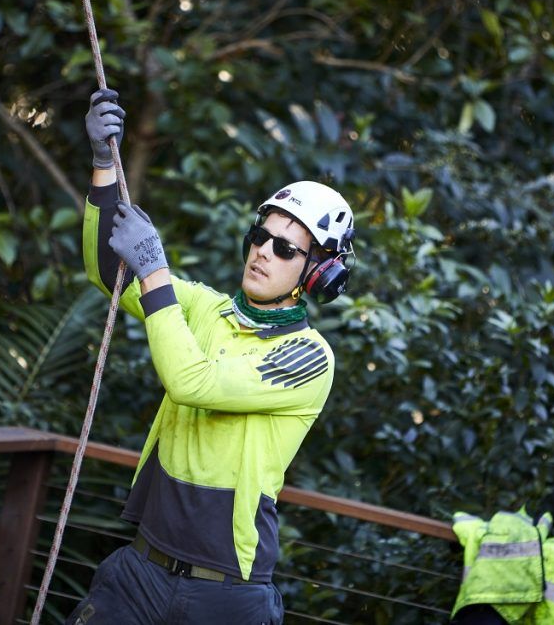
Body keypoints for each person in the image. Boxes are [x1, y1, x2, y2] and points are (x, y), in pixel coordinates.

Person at [66, 89, 356, 624]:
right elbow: (108, 273)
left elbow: (193, 383)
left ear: (314, 272)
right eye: (260, 236)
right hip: (139, 571)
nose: (264, 251)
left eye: (286, 248)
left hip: (225, 596)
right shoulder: (206, 308)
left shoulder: (308, 357)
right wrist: (104, 166)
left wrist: (155, 269)